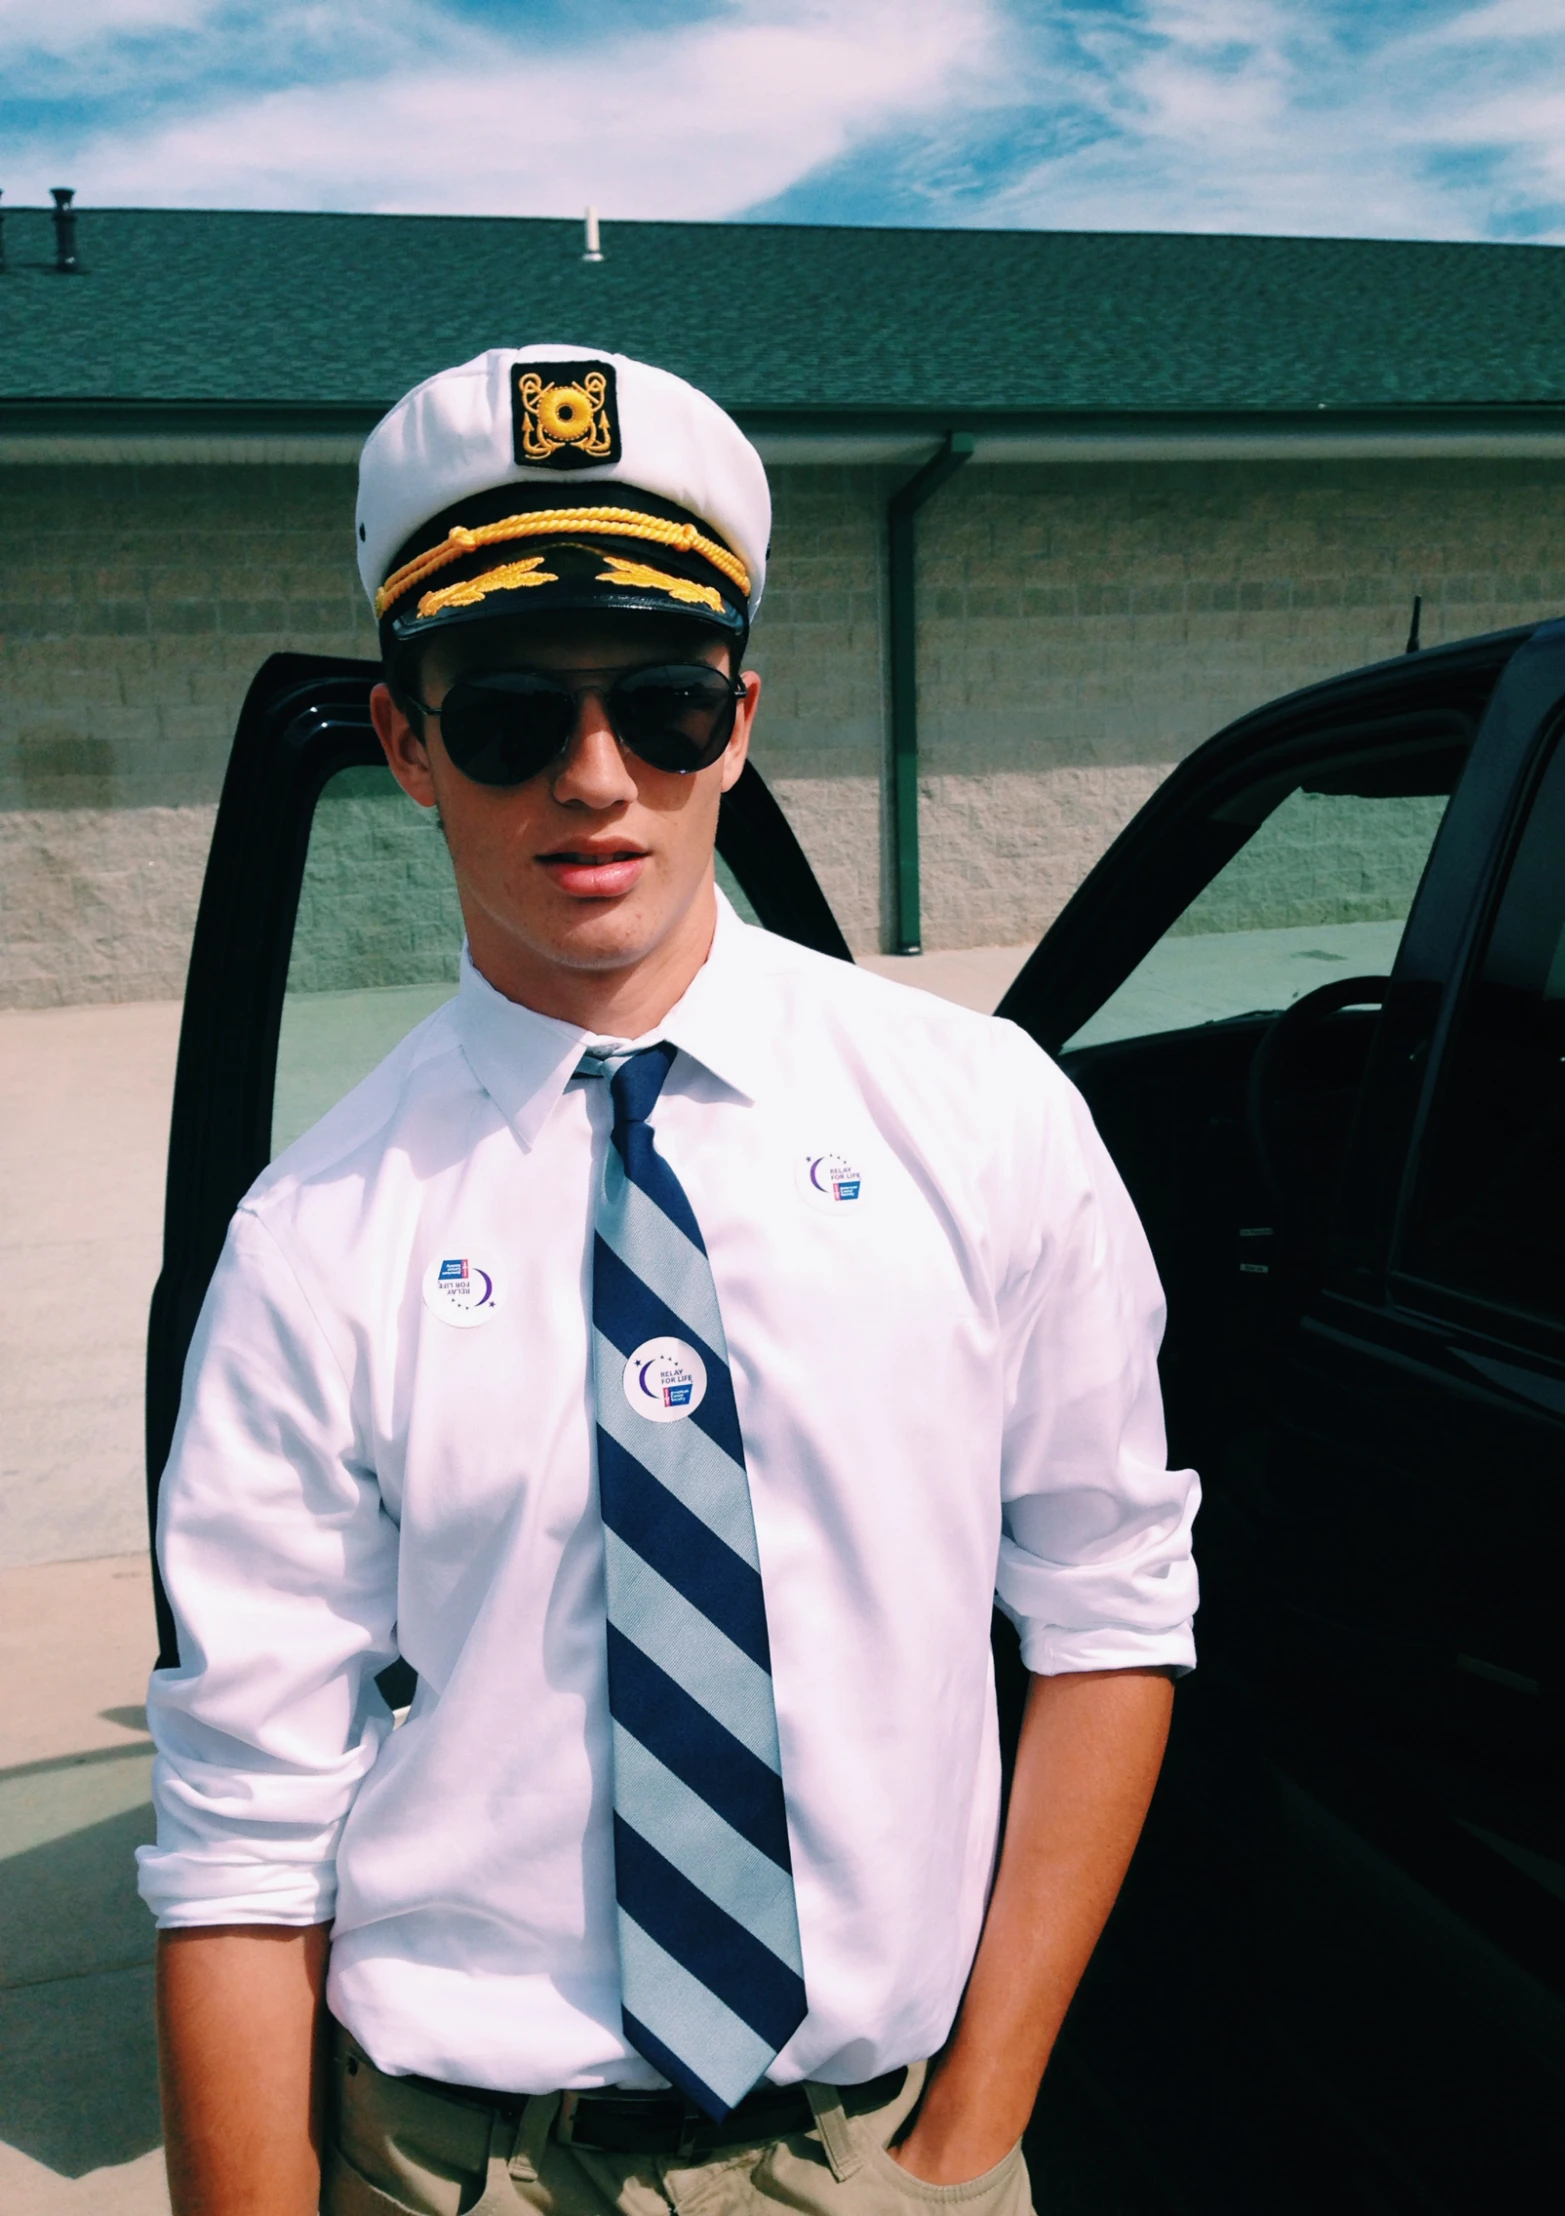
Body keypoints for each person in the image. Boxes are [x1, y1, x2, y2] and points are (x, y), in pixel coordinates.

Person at [141, 343, 1200, 2216]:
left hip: (880, 2153)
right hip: (458, 2163)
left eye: (664, 703)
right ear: (403, 744)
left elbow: (1107, 1608)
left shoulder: (984, 1119)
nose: (597, 777)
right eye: (508, 720)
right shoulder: (318, 1240)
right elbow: (241, 1832)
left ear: (740, 718)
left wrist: (968, 2138)